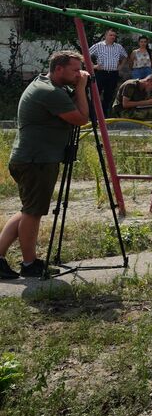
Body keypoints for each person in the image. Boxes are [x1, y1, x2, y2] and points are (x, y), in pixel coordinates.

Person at [0, 51, 91, 279]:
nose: (77, 74)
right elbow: (81, 118)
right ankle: (30, 264)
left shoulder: (46, 84)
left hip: (30, 159)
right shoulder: (49, 91)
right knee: (33, 213)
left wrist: (77, 83)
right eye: (74, 70)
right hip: (36, 161)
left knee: (28, 210)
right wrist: (81, 88)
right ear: (58, 69)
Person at [88, 28, 126, 116]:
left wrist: (120, 66)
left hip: (113, 74)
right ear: (105, 36)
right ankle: (93, 115)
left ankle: (104, 115)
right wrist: (93, 66)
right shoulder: (98, 46)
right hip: (101, 73)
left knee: (109, 95)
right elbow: (86, 55)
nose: (113, 37)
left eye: (114, 35)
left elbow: (124, 57)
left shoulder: (118, 47)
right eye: (110, 35)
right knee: (96, 94)